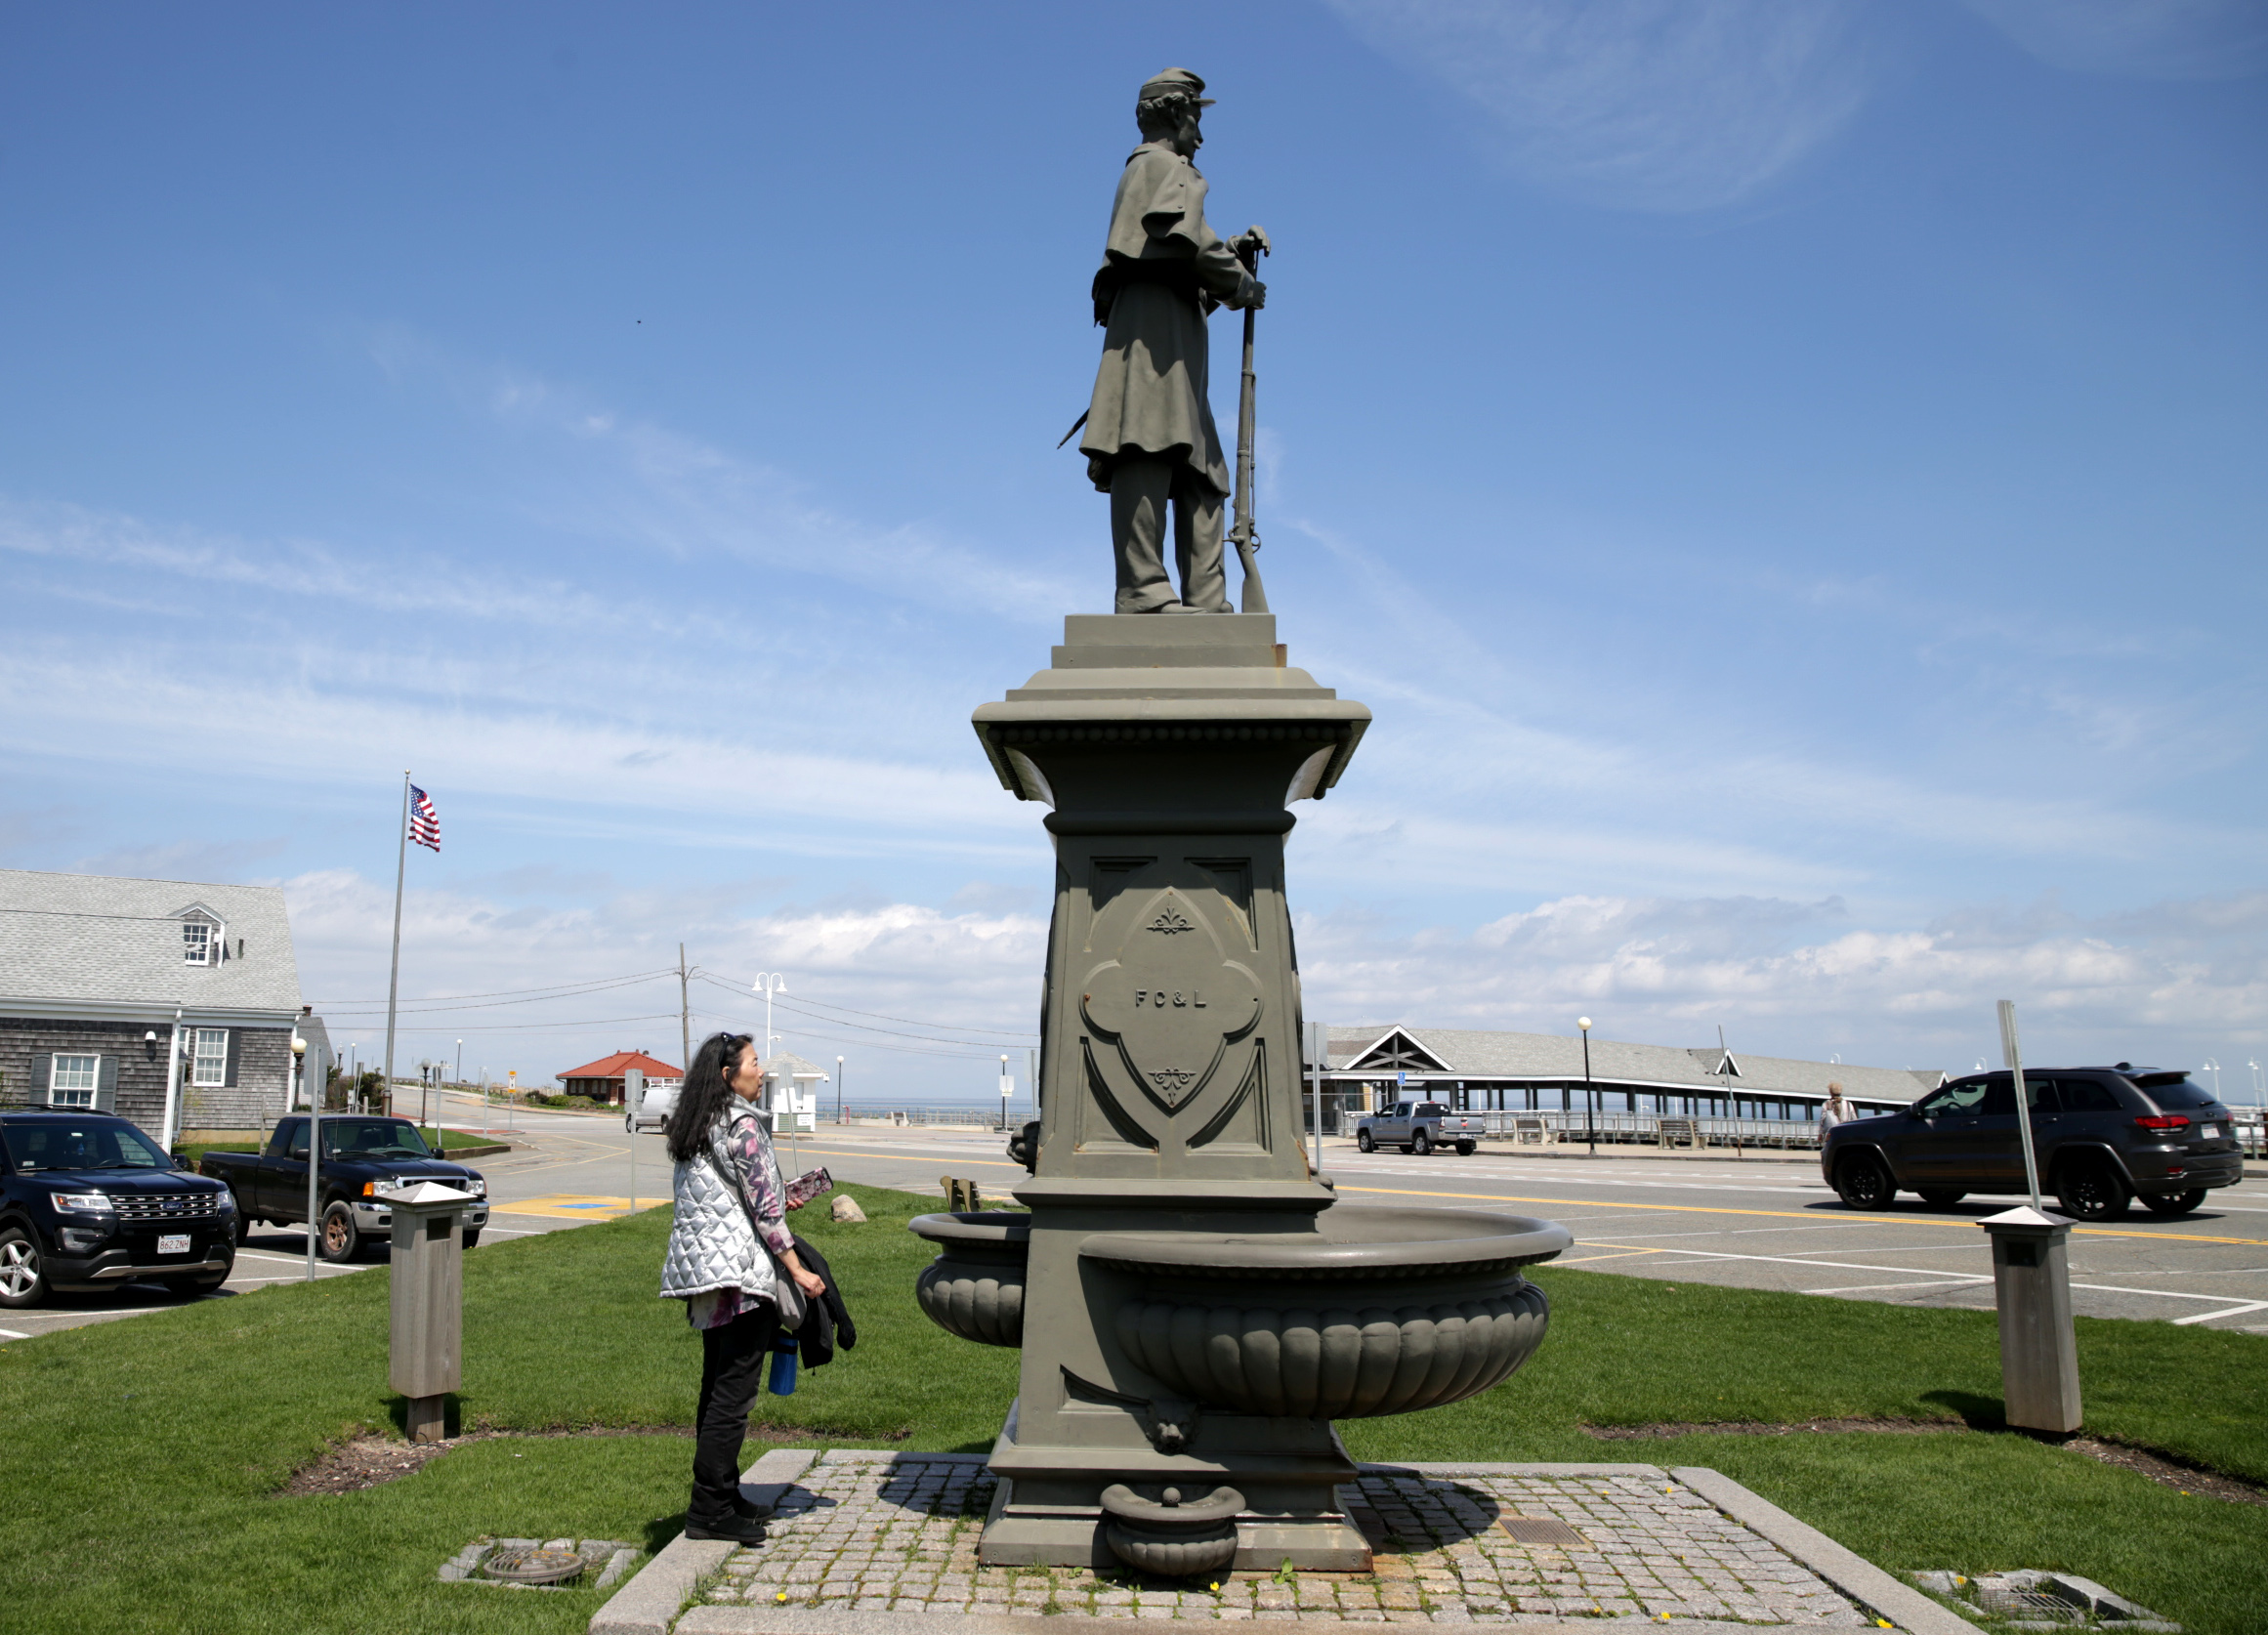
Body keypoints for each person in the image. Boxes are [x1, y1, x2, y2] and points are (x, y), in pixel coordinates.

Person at [1078, 66, 1269, 614]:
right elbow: (1185, 242)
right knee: (1146, 445)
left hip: (1177, 342)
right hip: (1151, 343)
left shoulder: (1161, 175)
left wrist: (1231, 251)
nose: (1201, 136)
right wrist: (1240, 282)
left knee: (1203, 471)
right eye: (1195, 120)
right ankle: (1142, 590)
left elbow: (1176, 245)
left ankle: (1208, 603)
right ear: (1176, 113)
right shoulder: (1159, 166)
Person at [658, 1031, 826, 1542]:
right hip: (740, 1278)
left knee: (716, 1390)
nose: (762, 1071)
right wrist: (796, 1269)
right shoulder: (744, 1125)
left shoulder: (699, 1125)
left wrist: (779, 1193)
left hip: (709, 1279)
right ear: (729, 1076)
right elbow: (765, 1212)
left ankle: (722, 1492)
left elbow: (736, 1197)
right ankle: (708, 1512)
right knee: (733, 1395)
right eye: (755, 1063)